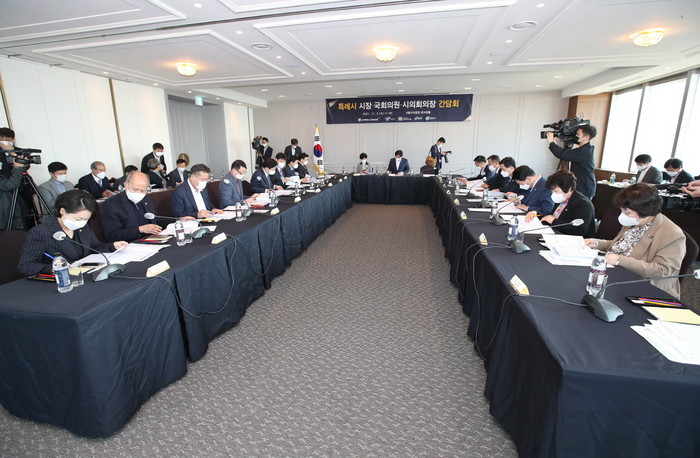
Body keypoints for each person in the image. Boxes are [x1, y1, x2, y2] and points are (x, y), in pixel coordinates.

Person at [584, 183, 686, 298]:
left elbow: (661, 270)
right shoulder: (635, 220)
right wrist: (597, 243)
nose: (623, 215)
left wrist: (619, 260)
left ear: (645, 211)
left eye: (627, 212)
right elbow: (621, 245)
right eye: (622, 210)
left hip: (644, 286)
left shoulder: (672, 234)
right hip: (614, 273)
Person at [18, 190, 127, 276]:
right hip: (60, 281)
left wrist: (112, 246)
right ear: (62, 211)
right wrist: (52, 268)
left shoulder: (82, 226)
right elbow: (25, 265)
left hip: (85, 275)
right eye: (78, 219)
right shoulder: (41, 232)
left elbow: (94, 247)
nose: (82, 222)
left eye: (86, 219)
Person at [101, 172, 172, 242]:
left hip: (152, 239)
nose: (138, 193)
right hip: (130, 243)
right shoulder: (111, 204)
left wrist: (176, 221)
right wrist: (140, 229)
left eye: (142, 190)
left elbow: (156, 219)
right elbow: (112, 236)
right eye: (135, 189)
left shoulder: (145, 199)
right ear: (126, 185)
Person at [546, 125, 597, 199]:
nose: (575, 136)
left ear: (586, 137)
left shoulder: (584, 152)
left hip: (584, 187)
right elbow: (565, 152)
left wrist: (551, 142)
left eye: (578, 134)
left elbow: (562, 154)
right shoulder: (586, 149)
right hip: (582, 185)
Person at [540, 170, 595, 237]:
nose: (553, 194)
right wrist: (537, 214)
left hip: (577, 240)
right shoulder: (563, 198)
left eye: (556, 191)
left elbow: (580, 230)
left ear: (569, 188)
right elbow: (552, 217)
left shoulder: (583, 204)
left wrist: (554, 221)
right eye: (552, 191)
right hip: (558, 234)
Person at [0, 154, 28, 230]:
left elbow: (10, 181)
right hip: (5, 218)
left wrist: (17, 167)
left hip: (9, 213)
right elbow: (11, 185)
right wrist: (18, 168)